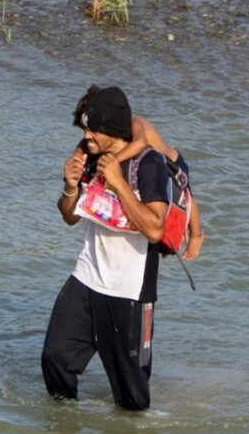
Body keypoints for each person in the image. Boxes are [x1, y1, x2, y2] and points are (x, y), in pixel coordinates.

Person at [42, 85, 171, 410]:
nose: (86, 136)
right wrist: (70, 188)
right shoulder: (89, 157)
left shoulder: (149, 163)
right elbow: (70, 217)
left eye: (92, 128)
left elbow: (155, 229)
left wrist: (118, 182)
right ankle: (64, 432)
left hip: (129, 294)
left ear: (112, 128)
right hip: (86, 280)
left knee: (132, 402)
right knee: (55, 359)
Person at [70, 89, 204, 260]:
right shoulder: (102, 132)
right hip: (153, 165)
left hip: (172, 163)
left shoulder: (134, 121)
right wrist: (76, 157)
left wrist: (113, 162)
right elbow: (83, 142)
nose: (87, 134)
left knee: (187, 198)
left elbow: (139, 143)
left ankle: (197, 235)